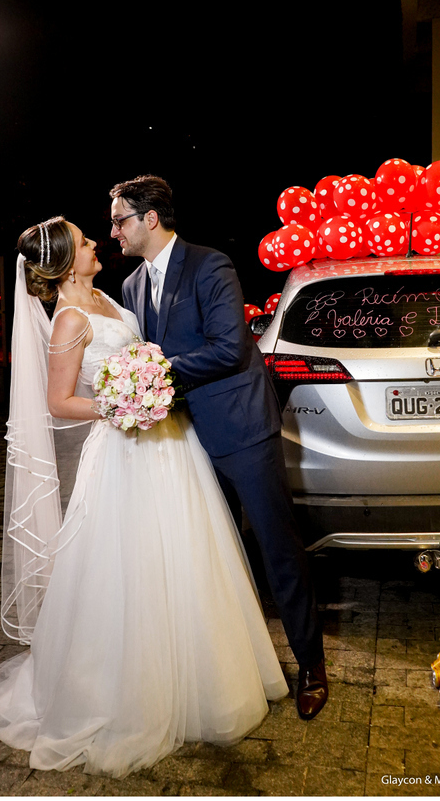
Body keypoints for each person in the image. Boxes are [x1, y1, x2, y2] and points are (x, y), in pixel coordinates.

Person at [0, 216, 289, 777]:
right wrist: (123, 404)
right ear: (65, 263)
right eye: (84, 241)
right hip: (123, 450)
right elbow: (59, 401)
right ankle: (128, 691)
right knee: (130, 566)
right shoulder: (69, 320)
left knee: (186, 554)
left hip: (169, 444)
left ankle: (202, 675)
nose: (95, 243)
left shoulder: (110, 296)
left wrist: (148, 391)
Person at [110, 174, 328, 720]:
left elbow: (230, 347)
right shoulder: (132, 286)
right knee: (214, 555)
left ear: (149, 218)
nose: (113, 232)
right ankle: (235, 670)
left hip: (240, 429)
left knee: (277, 548)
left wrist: (155, 370)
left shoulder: (209, 265)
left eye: (119, 220)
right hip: (181, 441)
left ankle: (312, 665)